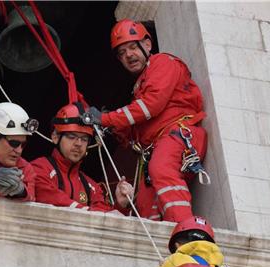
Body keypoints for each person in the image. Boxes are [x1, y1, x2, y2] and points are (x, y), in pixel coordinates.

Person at [84, 20, 207, 223]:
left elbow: (151, 106)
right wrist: (115, 129)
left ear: (147, 45)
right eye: (122, 53)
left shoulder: (163, 63)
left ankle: (185, 228)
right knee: (143, 199)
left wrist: (106, 118)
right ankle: (166, 245)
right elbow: (137, 129)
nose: (128, 55)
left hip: (178, 135)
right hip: (159, 145)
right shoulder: (141, 86)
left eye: (132, 47)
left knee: (161, 169)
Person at [31, 103, 133, 212]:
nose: (78, 144)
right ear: (55, 137)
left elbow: (107, 219)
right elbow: (55, 200)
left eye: (84, 139)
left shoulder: (92, 187)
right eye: (71, 137)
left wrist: (121, 206)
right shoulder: (38, 169)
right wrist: (90, 212)